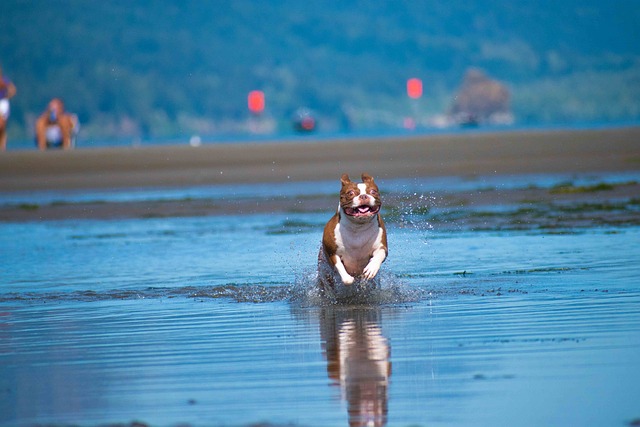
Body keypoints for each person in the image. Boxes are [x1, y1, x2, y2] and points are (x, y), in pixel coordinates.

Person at [0, 65, 17, 151]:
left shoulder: (4, 80)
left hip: (2, 102)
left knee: (2, 125)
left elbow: (13, 89)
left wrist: (7, 96)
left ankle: (3, 147)